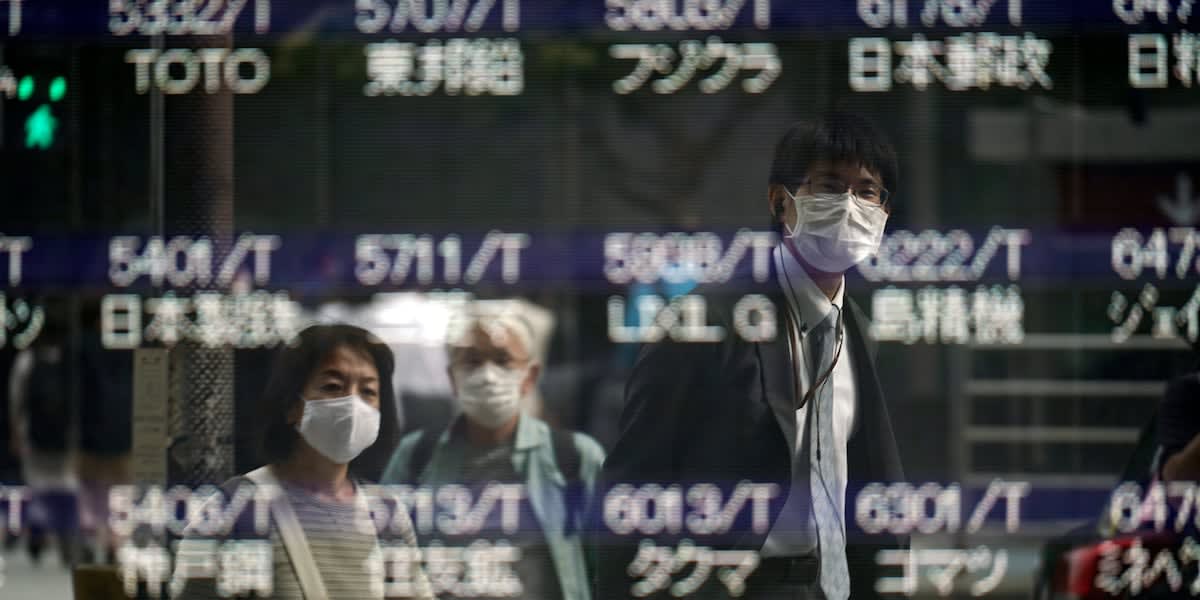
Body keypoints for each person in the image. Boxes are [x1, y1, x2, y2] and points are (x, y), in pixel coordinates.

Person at [596, 112, 907, 600]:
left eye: (867, 190)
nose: (849, 205)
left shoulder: (858, 327)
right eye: (829, 184)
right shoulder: (704, 322)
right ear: (781, 201)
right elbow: (632, 484)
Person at [173, 323, 432, 599]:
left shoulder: (387, 514)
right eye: (333, 386)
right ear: (291, 406)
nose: (352, 404)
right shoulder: (234, 508)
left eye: (367, 391)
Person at [381, 302, 605, 600]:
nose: (488, 375)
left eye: (503, 360)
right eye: (472, 361)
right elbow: (385, 557)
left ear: (529, 376)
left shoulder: (575, 457)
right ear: (452, 378)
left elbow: (606, 568)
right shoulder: (415, 456)